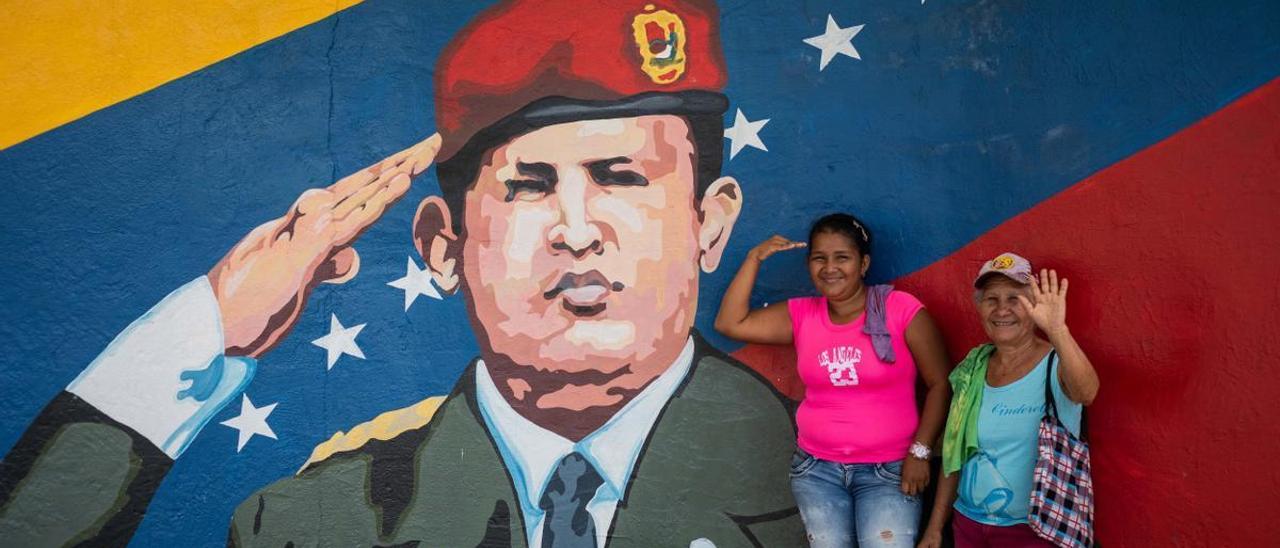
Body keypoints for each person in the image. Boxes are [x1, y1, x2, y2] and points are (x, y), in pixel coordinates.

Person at [0, 1, 807, 546]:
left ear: (711, 224)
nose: (575, 230)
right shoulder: (310, 523)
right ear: (444, 248)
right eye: (527, 185)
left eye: (623, 178)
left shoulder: (836, 493)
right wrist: (208, 330)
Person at [714, 213, 953, 547]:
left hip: (889, 473)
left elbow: (941, 383)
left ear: (863, 263)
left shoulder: (900, 310)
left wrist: (920, 451)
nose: (830, 268)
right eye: (819, 258)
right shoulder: (802, 315)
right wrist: (754, 258)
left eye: (842, 257)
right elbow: (730, 323)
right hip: (817, 471)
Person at [919, 252, 1099, 548]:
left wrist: (1057, 330)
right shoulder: (974, 368)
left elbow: (1086, 393)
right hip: (969, 525)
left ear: (1034, 305)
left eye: (1015, 298)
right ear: (979, 307)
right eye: (992, 299)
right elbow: (955, 453)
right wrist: (936, 527)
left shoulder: (1055, 362)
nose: (1002, 309)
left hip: (1036, 531)